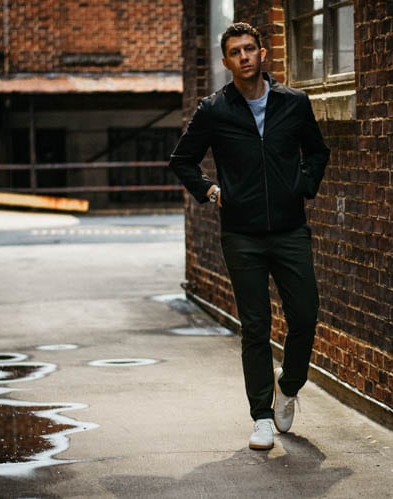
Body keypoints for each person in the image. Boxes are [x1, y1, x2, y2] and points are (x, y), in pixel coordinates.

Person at [168, 22, 330, 450]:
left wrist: (302, 186)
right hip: (241, 234)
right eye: (235, 52)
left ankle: (289, 385)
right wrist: (211, 190)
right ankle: (261, 416)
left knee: (305, 315)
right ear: (226, 62)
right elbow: (182, 160)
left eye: (249, 49)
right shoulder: (214, 110)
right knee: (256, 327)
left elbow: (317, 152)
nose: (243, 57)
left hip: (290, 229)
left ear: (263, 54)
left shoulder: (294, 104)